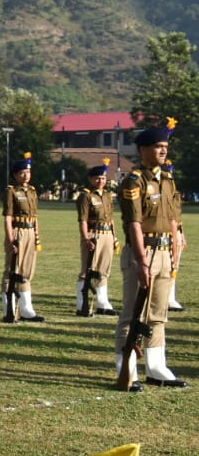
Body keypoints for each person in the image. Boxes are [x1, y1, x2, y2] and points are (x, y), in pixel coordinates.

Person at [116, 124, 188, 389]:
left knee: (158, 314)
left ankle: (157, 367)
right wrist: (141, 260)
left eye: (165, 148)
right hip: (142, 251)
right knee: (133, 315)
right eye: (158, 147)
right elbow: (134, 223)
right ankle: (126, 368)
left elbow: (172, 218)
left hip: (164, 251)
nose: (162, 151)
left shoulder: (167, 180)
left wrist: (176, 245)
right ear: (143, 149)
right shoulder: (134, 181)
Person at [1, 152, 44, 322]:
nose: (26, 176)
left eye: (28, 172)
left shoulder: (32, 191)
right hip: (17, 231)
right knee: (12, 271)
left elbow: (35, 216)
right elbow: (8, 217)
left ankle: (26, 309)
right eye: (21, 173)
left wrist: (37, 236)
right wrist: (10, 238)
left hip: (30, 231)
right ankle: (9, 309)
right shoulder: (11, 191)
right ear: (15, 175)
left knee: (27, 271)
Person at [75, 159, 117, 316]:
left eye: (104, 178)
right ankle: (81, 304)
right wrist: (85, 238)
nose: (101, 181)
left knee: (104, 270)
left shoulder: (107, 195)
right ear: (91, 179)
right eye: (97, 178)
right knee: (88, 269)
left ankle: (103, 302)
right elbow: (83, 220)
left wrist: (115, 236)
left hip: (107, 234)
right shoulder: (86, 196)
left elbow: (111, 218)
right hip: (93, 234)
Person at [166, 161, 187, 311]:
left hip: (176, 233)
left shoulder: (176, 195)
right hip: (163, 233)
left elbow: (177, 217)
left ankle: (170, 297)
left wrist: (182, 233)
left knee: (174, 265)